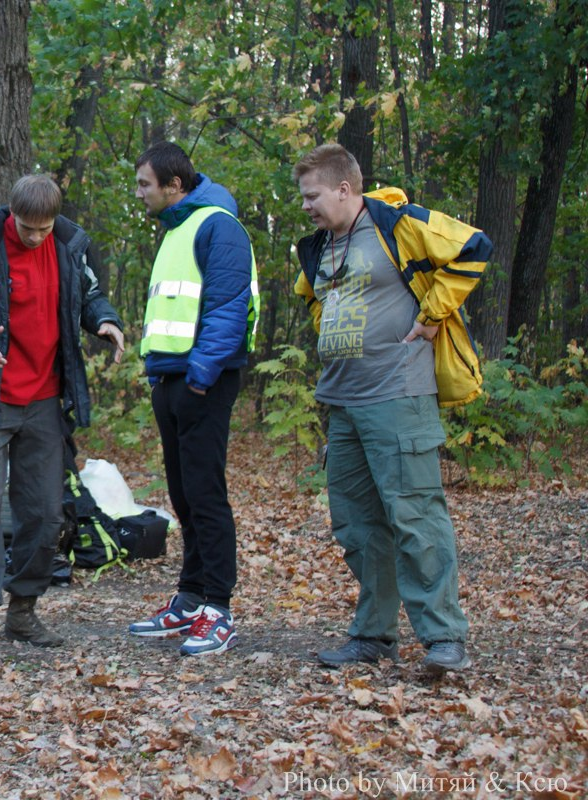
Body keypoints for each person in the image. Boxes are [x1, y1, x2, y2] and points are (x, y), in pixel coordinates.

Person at [292, 143, 490, 674]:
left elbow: (474, 246)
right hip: (342, 401)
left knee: (415, 516)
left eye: (312, 196)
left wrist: (430, 316)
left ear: (344, 189)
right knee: (357, 526)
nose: (306, 206)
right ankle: (374, 636)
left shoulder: (395, 224)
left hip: (398, 394)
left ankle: (443, 637)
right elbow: (312, 296)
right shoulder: (316, 247)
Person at [0, 174, 125, 666]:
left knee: (45, 514)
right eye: (27, 227)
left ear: (55, 220)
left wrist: (105, 320)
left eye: (44, 228)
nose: (35, 237)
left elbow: (90, 295)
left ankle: (23, 611)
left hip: (46, 401)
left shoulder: (71, 247)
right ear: (11, 213)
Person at [127, 141, 260, 656]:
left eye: (145, 184)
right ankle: (190, 597)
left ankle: (218, 608)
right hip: (170, 379)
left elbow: (229, 305)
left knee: (205, 495)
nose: (140, 193)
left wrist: (202, 375)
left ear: (174, 185)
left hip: (202, 380)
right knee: (184, 496)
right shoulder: (177, 230)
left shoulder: (218, 226)